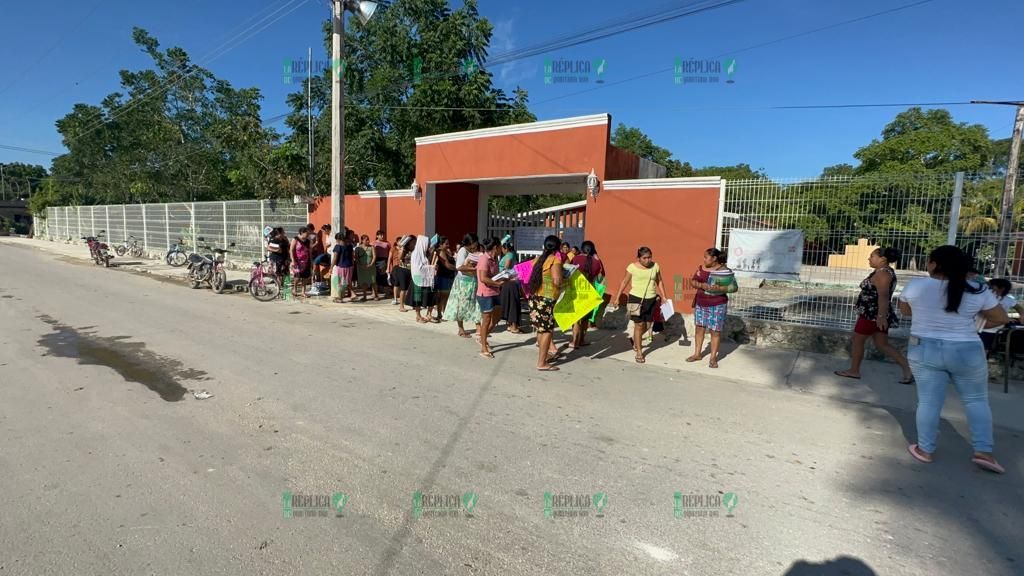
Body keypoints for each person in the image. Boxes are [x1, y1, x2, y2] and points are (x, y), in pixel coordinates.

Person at [899, 245, 1008, 474]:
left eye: (929, 261)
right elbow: (1001, 318)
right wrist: (976, 324)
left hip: (924, 348)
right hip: (967, 349)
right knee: (977, 400)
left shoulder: (917, 285)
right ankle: (984, 452)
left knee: (928, 402)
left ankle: (925, 449)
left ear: (935, 264)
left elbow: (906, 311)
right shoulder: (977, 289)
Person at [835, 247, 913, 383]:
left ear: (882, 259)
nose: (869, 259)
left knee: (858, 341)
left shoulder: (883, 274)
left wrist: (881, 317)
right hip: (876, 315)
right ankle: (908, 369)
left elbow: (883, 296)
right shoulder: (884, 272)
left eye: (872, 256)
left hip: (872, 315)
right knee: (882, 344)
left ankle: (854, 371)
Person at [612, 246, 667, 364]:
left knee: (647, 326)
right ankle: (639, 352)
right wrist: (617, 297)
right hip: (636, 299)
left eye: (649, 257)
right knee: (639, 325)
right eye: (645, 258)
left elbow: (659, 281)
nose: (648, 260)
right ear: (639, 258)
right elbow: (624, 282)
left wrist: (663, 295)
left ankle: (634, 339)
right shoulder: (632, 267)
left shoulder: (655, 266)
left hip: (651, 299)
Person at [688, 248, 735, 368]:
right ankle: (697, 354)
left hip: (717, 305)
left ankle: (713, 358)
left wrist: (719, 289)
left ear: (714, 258)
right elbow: (693, 281)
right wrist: (701, 285)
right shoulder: (701, 269)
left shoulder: (725, 271)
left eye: (706, 257)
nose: (704, 259)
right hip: (701, 303)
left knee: (715, 331)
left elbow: (734, 287)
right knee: (699, 329)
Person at [526, 235, 565, 370]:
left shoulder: (537, 260)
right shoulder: (554, 261)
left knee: (540, 330)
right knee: (547, 330)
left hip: (535, 298)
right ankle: (542, 363)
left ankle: (542, 358)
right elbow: (557, 281)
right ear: (557, 248)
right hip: (547, 299)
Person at [443, 233, 482, 338]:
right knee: (461, 305)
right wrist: (474, 269)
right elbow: (459, 267)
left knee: (476, 304)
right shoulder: (462, 251)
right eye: (474, 243)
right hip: (463, 283)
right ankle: (461, 329)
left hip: (473, 281)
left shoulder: (475, 251)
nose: (475, 245)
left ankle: (479, 327)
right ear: (469, 242)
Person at [475, 238, 507, 358]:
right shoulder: (484, 259)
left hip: (495, 292)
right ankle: (484, 346)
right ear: (495, 247)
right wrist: (498, 284)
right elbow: (483, 278)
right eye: (500, 247)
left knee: (497, 317)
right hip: (485, 293)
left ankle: (483, 337)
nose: (501, 249)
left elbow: (493, 276)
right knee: (487, 319)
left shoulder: (494, 259)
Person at [570, 240, 605, 349]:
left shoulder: (575, 258)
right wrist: (597, 258)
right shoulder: (596, 262)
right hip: (590, 291)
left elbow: (569, 271)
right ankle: (581, 340)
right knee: (585, 318)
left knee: (576, 317)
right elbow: (602, 275)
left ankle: (573, 341)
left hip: (576, 290)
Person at [979, 278, 1024, 352]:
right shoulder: (987, 298)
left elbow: (1019, 308)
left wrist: (1022, 315)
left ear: (1001, 289)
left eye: (992, 286)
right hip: (983, 328)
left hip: (993, 329)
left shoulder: (1008, 300)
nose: (989, 288)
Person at [406, 235, 438, 323]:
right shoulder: (416, 254)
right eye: (427, 244)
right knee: (417, 298)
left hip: (426, 278)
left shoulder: (423, 254)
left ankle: (429, 314)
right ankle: (418, 316)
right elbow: (417, 268)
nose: (428, 246)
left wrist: (431, 267)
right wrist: (431, 267)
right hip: (418, 278)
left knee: (431, 296)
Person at [498, 237, 524, 334]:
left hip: (509, 282)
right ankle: (511, 325)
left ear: (505, 248)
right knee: (510, 303)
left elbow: (506, 268)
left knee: (512, 304)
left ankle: (513, 326)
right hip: (508, 282)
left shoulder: (509, 255)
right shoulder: (512, 254)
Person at [434, 236, 456, 319]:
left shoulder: (446, 251)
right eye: (446, 244)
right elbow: (446, 265)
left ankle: (444, 312)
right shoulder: (441, 252)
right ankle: (440, 314)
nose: (448, 245)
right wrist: (457, 268)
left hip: (448, 276)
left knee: (446, 296)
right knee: (443, 296)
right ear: (440, 244)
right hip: (443, 276)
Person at [331, 232, 355, 303]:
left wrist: (331, 267)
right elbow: (352, 256)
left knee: (340, 283)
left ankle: (340, 298)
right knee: (347, 282)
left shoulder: (337, 247)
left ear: (338, 239)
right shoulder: (350, 246)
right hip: (349, 266)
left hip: (341, 266)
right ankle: (352, 294)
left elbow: (335, 258)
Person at [289, 227, 312, 298]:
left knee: (305, 277)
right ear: (302, 233)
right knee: (297, 277)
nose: (308, 235)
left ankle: (303, 292)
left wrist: (311, 261)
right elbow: (291, 250)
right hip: (297, 261)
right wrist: (293, 260)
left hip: (306, 261)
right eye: (307, 233)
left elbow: (310, 251)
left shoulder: (308, 241)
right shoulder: (295, 239)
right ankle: (294, 290)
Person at [355, 234, 379, 301]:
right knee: (363, 282)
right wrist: (360, 265)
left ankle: (376, 295)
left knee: (373, 281)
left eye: (368, 239)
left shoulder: (372, 247)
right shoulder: (358, 248)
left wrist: (371, 264)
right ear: (362, 240)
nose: (368, 241)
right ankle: (364, 296)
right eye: (366, 240)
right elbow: (356, 258)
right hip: (361, 268)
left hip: (371, 267)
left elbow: (374, 256)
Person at [266, 227, 289, 294]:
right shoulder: (273, 239)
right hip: (276, 259)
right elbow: (269, 248)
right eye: (282, 232)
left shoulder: (284, 239)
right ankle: (278, 290)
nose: (283, 233)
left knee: (286, 273)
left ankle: (285, 289)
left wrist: (289, 257)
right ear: (278, 233)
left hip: (285, 258)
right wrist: (277, 250)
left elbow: (288, 246)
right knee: (278, 274)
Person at [388, 236, 404, 305]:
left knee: (402, 283)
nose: (401, 243)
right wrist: (388, 268)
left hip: (403, 267)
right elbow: (389, 259)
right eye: (399, 241)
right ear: (397, 242)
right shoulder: (393, 249)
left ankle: (401, 298)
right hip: (395, 267)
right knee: (396, 283)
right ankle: (395, 298)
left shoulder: (404, 249)